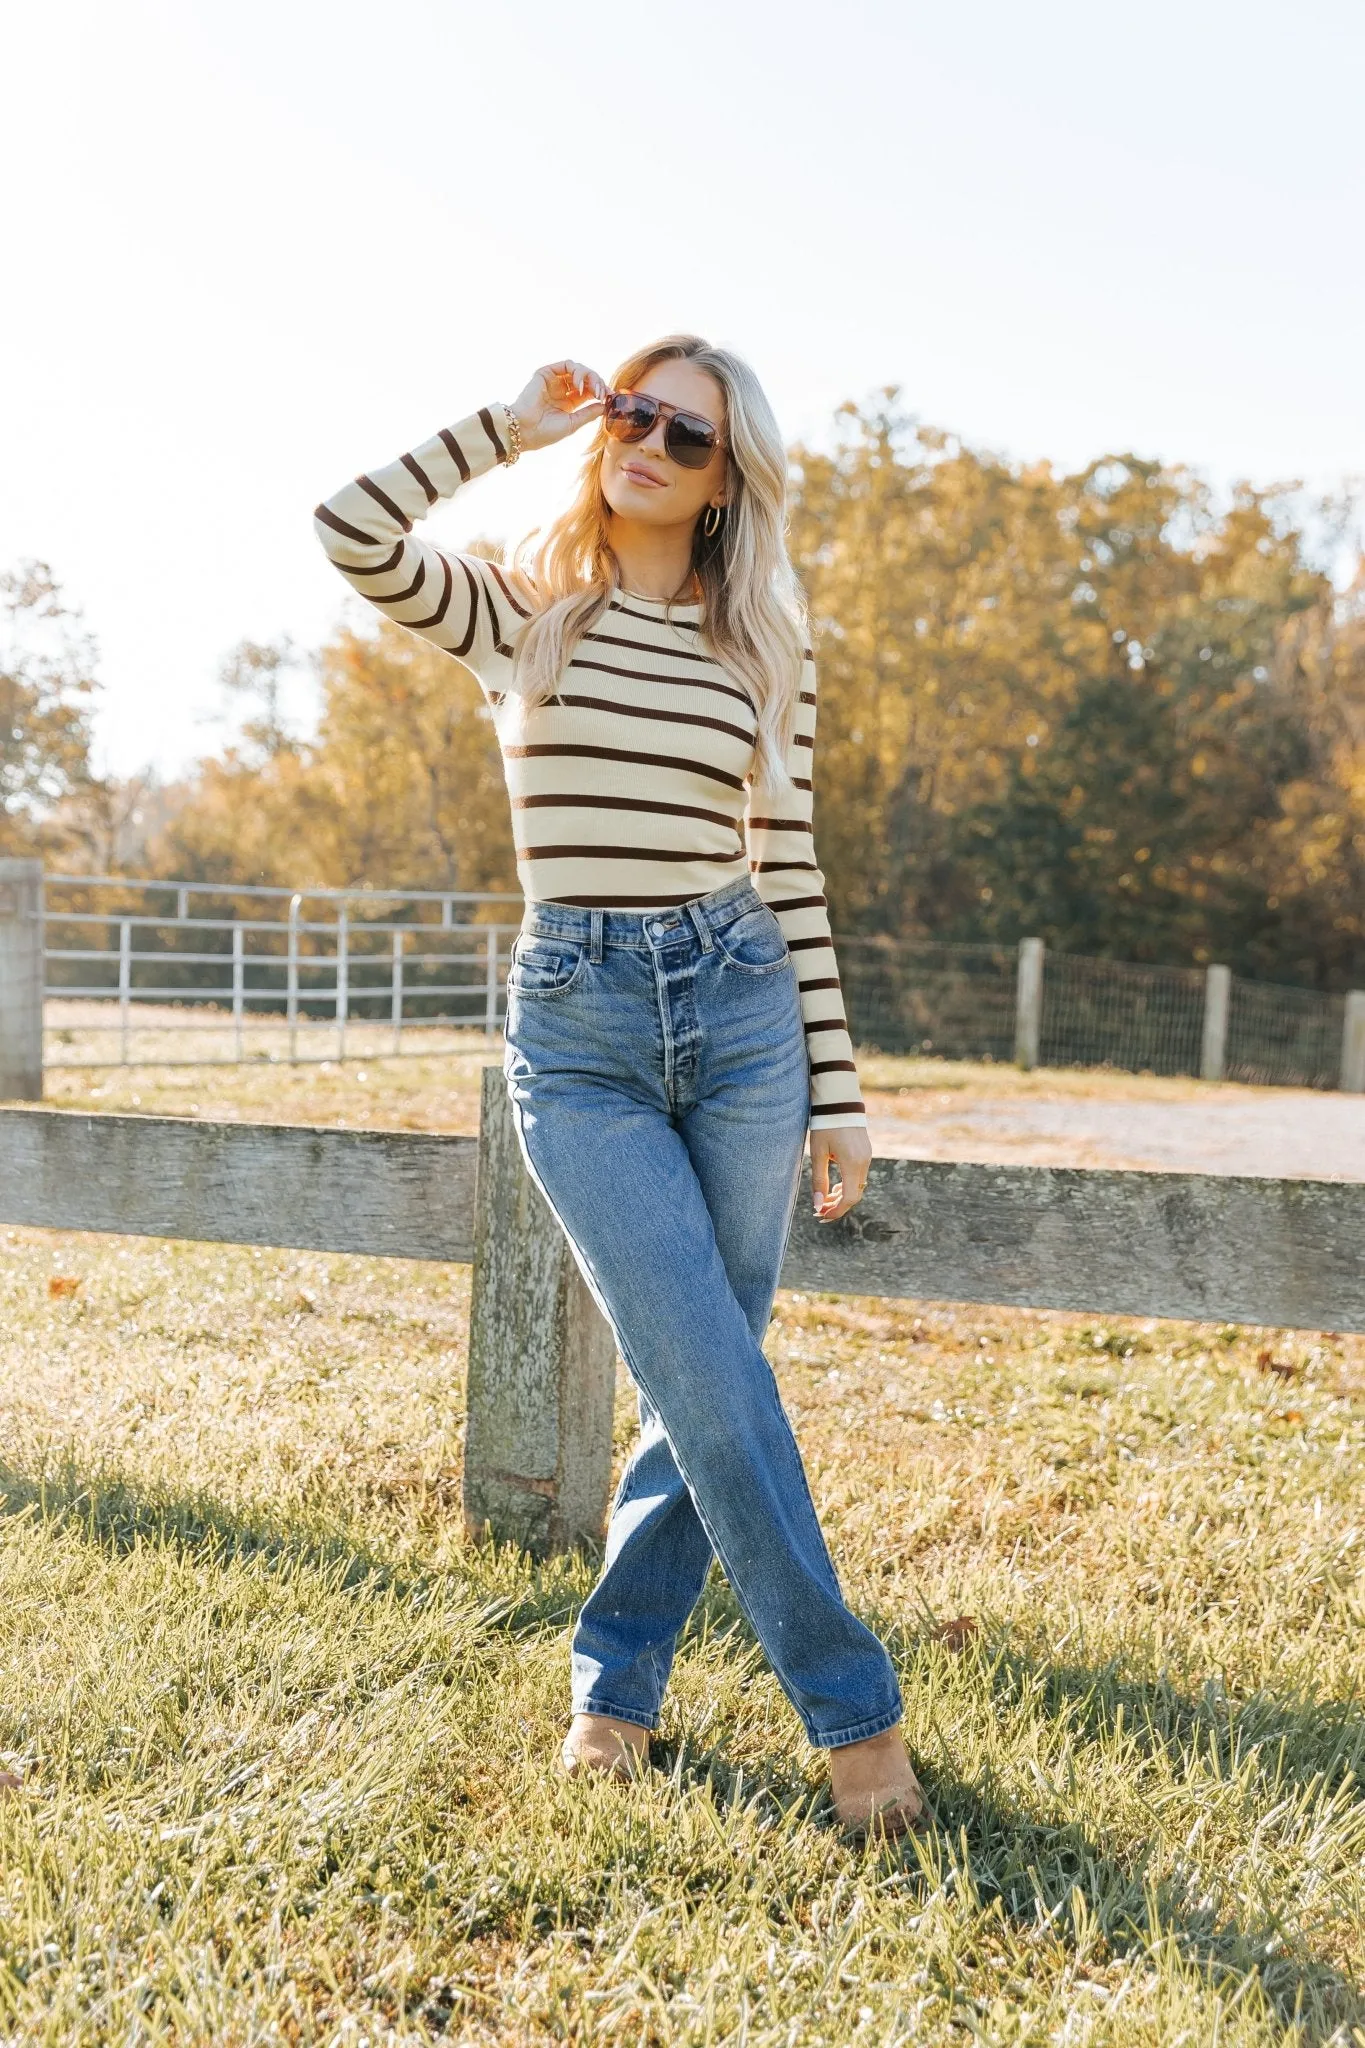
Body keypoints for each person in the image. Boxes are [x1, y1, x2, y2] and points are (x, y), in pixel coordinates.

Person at [314, 337, 925, 1836]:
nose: (646, 442)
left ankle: (615, 1689)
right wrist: (507, 428)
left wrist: (837, 1091)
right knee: (711, 1380)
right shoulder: (525, 619)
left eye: (687, 435)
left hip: (741, 1016)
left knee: (701, 1382)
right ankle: (855, 1714)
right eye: (634, 417)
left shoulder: (766, 647)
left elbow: (790, 873)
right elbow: (349, 530)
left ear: (729, 483)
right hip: (578, 1032)